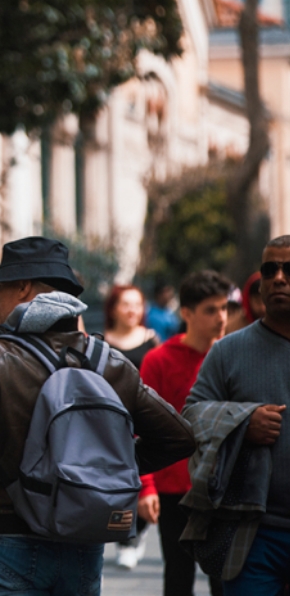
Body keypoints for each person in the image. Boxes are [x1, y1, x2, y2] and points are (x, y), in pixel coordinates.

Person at [0, 236, 196, 596]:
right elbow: (179, 436)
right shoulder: (107, 361)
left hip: (8, 534)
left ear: (22, 287)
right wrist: (100, 472)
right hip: (84, 535)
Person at [182, 235, 290, 595]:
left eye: (288, 270)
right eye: (269, 269)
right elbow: (190, 417)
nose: (278, 278)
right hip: (252, 534)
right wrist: (243, 423)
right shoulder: (229, 352)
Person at [137, 271, 231, 596]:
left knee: (227, 577)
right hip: (173, 489)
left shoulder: (234, 356)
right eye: (211, 309)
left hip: (225, 486)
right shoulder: (159, 360)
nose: (221, 317)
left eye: (224, 308)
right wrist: (146, 487)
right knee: (178, 576)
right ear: (187, 313)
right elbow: (142, 427)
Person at [103, 285, 160, 569]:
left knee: (141, 477)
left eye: (137, 304)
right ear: (112, 308)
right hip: (109, 422)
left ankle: (133, 535)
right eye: (125, 304)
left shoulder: (152, 341)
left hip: (142, 419)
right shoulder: (100, 342)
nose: (132, 310)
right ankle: (122, 534)